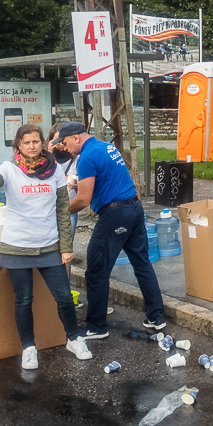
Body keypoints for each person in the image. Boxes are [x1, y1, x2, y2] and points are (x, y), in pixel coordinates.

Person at [0, 124, 92, 369]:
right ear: (18, 146)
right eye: (27, 143)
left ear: (43, 144)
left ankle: (74, 338)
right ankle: (29, 347)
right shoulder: (9, 168)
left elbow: (62, 211)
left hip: (49, 246)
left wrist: (66, 247)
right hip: (17, 246)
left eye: (36, 142)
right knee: (23, 299)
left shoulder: (55, 169)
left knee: (65, 297)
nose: (32, 146)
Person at [52, 121, 167, 336]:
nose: (65, 148)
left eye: (65, 143)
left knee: (96, 270)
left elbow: (83, 200)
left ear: (76, 137)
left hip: (115, 215)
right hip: (133, 208)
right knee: (142, 263)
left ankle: (96, 327)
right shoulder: (106, 146)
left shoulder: (86, 157)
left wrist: (56, 212)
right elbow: (107, 177)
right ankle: (156, 317)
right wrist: (81, 183)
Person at [48, 122, 79, 244]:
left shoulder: (77, 158)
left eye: (62, 140)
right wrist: (48, 153)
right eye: (56, 140)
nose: (60, 144)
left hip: (69, 209)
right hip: (48, 209)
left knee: (66, 247)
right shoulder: (45, 159)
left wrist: (78, 184)